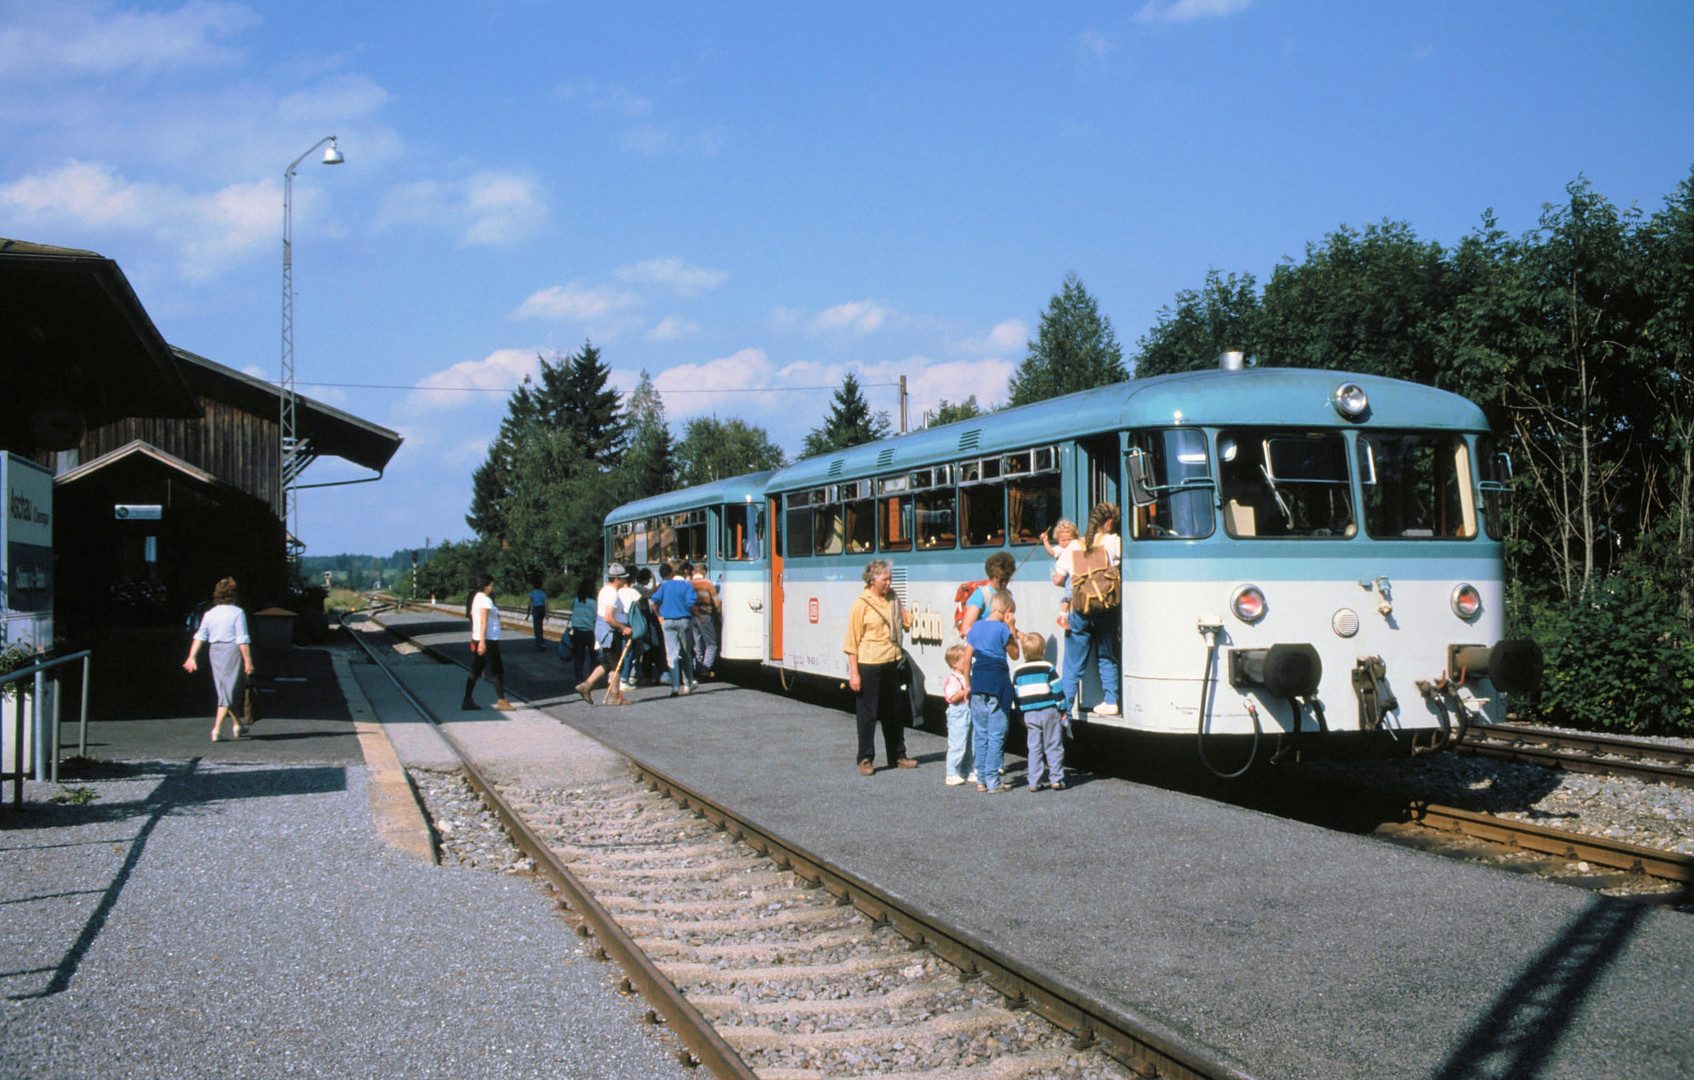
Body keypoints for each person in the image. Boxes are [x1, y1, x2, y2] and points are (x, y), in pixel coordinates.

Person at [843, 559, 916, 775]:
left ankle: (897, 755)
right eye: (885, 579)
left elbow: (907, 622)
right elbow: (851, 642)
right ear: (873, 580)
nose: (889, 582)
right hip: (869, 664)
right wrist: (854, 673)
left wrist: (898, 609)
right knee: (868, 713)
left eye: (890, 579)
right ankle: (865, 758)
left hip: (891, 662)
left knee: (894, 711)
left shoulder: (892, 598)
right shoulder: (861, 604)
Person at [1054, 502, 1122, 717]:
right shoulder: (1114, 542)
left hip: (1080, 610)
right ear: (1109, 523)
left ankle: (1065, 709)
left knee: (1073, 663)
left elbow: (1058, 579)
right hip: (1105, 609)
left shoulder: (1074, 545)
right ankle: (1111, 701)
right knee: (1107, 656)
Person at [181, 577, 255, 742]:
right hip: (232, 651)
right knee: (227, 691)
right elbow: (242, 639)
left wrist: (192, 656)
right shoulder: (237, 612)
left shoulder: (209, 614)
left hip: (215, 651)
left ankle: (238, 725)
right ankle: (217, 729)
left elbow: (200, 636)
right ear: (233, 595)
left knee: (224, 690)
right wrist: (248, 661)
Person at [965, 591, 1020, 792]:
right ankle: (993, 781)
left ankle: (980, 780)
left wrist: (968, 683)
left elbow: (965, 659)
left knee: (981, 734)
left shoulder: (976, 627)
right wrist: (1012, 627)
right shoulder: (1003, 629)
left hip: (978, 684)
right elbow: (1015, 654)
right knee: (996, 734)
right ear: (1007, 611)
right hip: (998, 684)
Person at [1013, 631, 1067, 791]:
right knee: (1053, 745)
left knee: (1034, 748)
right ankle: (1056, 779)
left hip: (1030, 713)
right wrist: (1062, 708)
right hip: (1049, 711)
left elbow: (1016, 695)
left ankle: (1034, 781)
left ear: (1024, 652)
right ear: (1043, 651)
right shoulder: (1048, 668)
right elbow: (1057, 688)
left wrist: (1019, 714)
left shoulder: (1018, 671)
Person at [577, 564, 632, 705]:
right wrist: (623, 628)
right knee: (616, 665)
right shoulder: (612, 593)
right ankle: (614, 696)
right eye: (622, 579)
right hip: (610, 632)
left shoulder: (605, 590)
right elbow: (608, 617)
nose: (624, 582)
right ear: (617, 579)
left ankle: (586, 685)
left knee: (608, 663)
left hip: (606, 631)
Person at [464, 574, 515, 711]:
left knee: (476, 669)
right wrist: (483, 642)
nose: (492, 587)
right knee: (497, 670)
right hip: (488, 639)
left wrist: (478, 640)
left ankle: (467, 700)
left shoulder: (476, 598)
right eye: (491, 585)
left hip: (479, 638)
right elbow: (483, 622)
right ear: (486, 586)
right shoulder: (485, 600)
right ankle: (501, 701)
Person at [649, 562, 699, 697]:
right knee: (686, 652)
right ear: (684, 572)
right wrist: (699, 617)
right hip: (683, 620)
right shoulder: (687, 586)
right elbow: (690, 604)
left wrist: (659, 616)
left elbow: (653, 601)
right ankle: (687, 684)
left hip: (667, 621)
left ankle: (675, 687)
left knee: (671, 655)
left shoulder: (665, 585)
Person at [958, 550, 1017, 637]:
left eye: (1007, 579)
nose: (1004, 583)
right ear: (992, 576)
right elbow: (966, 628)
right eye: (1001, 580)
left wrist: (1021, 635)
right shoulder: (981, 595)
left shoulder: (1007, 594)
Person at [941, 642, 975, 786]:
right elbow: (952, 697)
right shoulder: (953, 679)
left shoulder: (969, 676)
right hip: (958, 712)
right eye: (965, 659)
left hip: (970, 711)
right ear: (955, 664)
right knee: (958, 744)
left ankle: (967, 770)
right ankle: (951, 773)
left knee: (971, 743)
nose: (970, 661)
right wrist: (965, 691)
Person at [687, 561, 721, 678]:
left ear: (694, 572)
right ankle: (705, 669)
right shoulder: (707, 583)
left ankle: (697, 667)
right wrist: (720, 614)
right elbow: (716, 602)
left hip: (692, 617)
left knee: (697, 644)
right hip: (705, 616)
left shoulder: (689, 584)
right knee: (712, 645)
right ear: (704, 572)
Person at [567, 579, 598, 686]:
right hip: (589, 632)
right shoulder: (593, 603)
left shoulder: (575, 600)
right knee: (593, 657)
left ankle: (579, 679)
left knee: (579, 657)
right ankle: (591, 681)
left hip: (577, 632)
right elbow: (595, 618)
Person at [527, 583, 549, 651]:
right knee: (540, 626)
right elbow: (546, 604)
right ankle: (542, 642)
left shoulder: (532, 593)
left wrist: (528, 614)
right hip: (542, 609)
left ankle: (539, 644)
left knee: (537, 627)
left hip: (536, 609)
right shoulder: (543, 594)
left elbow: (529, 603)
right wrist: (547, 614)